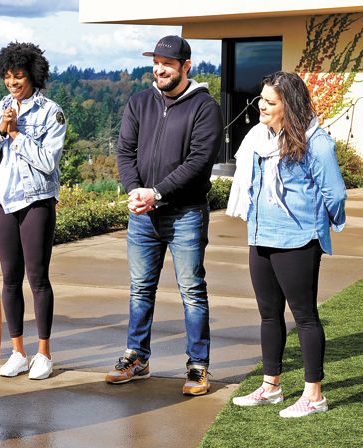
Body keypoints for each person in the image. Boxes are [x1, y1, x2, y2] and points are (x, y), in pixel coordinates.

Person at [107, 35, 223, 395]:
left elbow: (199, 161)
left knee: (191, 291)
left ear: (185, 67)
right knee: (140, 289)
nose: (160, 69)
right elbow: (125, 152)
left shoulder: (205, 107)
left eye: (168, 64)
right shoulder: (139, 102)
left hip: (185, 213)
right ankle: (137, 357)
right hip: (142, 214)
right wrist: (135, 192)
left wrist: (156, 193)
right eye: (156, 62)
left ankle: (198, 366)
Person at [226, 71, 346, 417]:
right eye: (261, 99)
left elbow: (334, 193)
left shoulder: (315, 142)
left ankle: (314, 396)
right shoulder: (259, 138)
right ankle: (271, 386)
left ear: (289, 107)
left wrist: (320, 222)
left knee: (305, 317)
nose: (261, 106)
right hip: (260, 235)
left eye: (270, 102)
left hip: (297, 240)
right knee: (268, 315)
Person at [0, 42, 66, 380]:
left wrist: (16, 135)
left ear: (33, 75)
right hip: (3, 202)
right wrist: (0, 131)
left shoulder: (50, 112)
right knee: (9, 279)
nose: (13, 83)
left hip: (36, 202)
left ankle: (44, 352)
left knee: (37, 278)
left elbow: (46, 162)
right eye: (8, 77)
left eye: (20, 77)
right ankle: (17, 351)